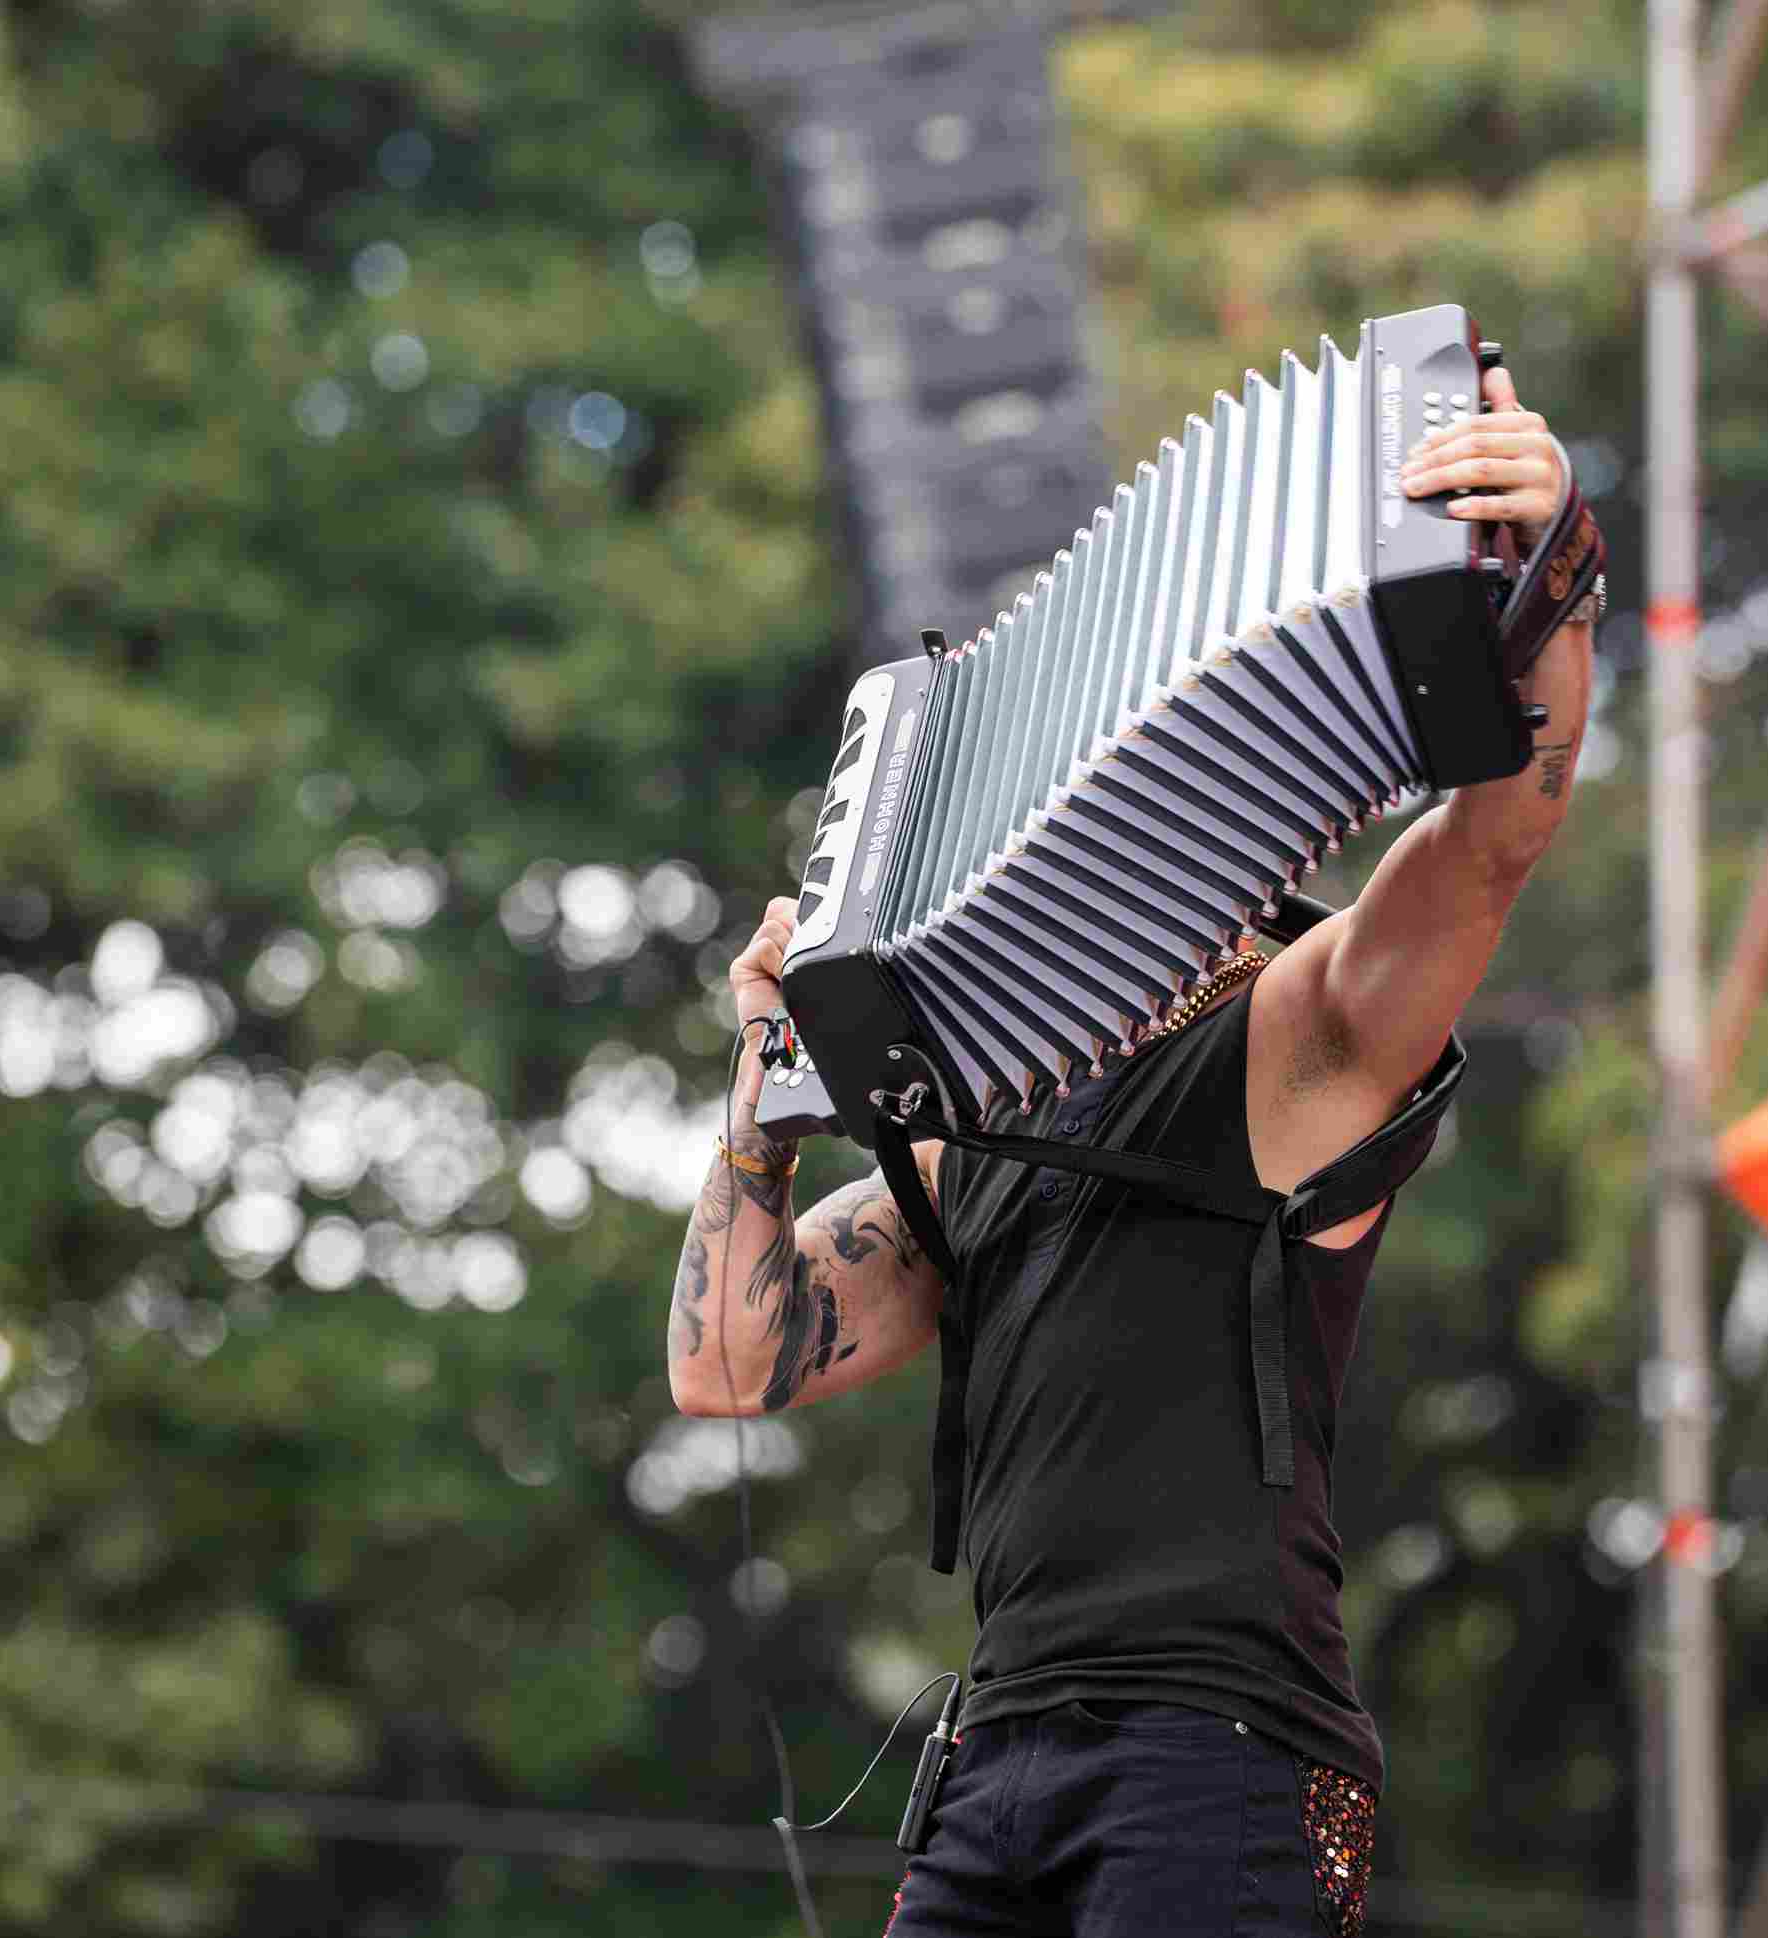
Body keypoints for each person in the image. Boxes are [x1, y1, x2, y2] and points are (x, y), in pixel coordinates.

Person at [663, 364, 1596, 1938]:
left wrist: (1555, 578)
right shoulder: (988, 1122)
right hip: (995, 1760)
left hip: (1217, 1750)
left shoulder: (1298, 1031)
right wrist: (764, 1098)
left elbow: (1494, 839)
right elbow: (730, 1365)